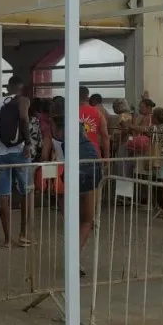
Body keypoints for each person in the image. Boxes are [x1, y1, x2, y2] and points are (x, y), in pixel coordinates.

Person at [0, 75, 33, 248]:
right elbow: (24, 119)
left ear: (8, 87)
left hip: (0, 154)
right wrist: (27, 143)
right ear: (21, 88)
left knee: (3, 195)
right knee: (27, 191)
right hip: (20, 153)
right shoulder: (23, 100)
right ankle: (23, 235)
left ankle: (6, 239)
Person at [51, 115, 101, 275]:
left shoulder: (51, 131)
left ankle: (72, 257)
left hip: (63, 176)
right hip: (86, 172)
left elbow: (46, 153)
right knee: (86, 221)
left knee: (70, 221)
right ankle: (74, 259)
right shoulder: (77, 125)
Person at [79, 86, 110, 159]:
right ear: (87, 97)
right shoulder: (98, 113)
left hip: (73, 153)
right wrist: (106, 157)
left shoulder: (69, 113)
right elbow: (105, 136)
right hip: (94, 152)